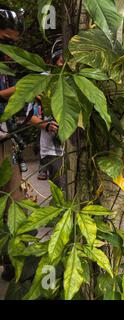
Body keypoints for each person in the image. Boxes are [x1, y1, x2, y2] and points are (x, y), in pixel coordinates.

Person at [0, 4, 24, 281]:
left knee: (14, 203)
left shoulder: (6, 66)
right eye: (6, 41)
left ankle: (13, 263)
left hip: (7, 143)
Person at [28, 38, 65, 188]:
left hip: (75, 148)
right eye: (62, 61)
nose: (65, 66)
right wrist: (47, 125)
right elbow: (30, 116)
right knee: (61, 191)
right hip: (53, 150)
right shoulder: (43, 80)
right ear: (54, 60)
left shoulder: (75, 79)